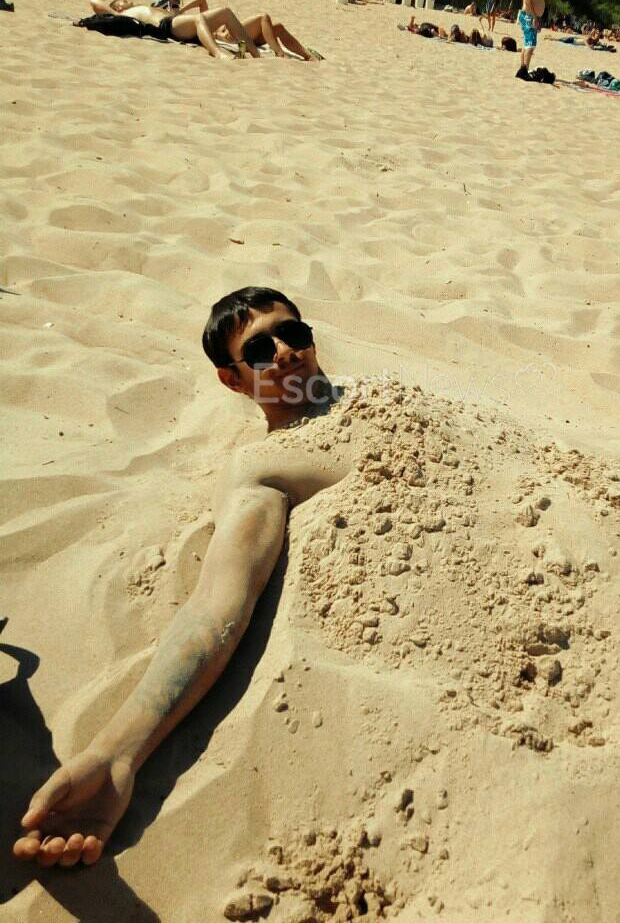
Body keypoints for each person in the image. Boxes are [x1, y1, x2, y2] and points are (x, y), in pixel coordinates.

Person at [11, 287, 364, 868]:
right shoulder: (261, 469)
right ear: (233, 380)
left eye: (293, 333)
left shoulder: (381, 396)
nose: (284, 352)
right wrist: (116, 752)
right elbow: (217, 603)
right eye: (259, 350)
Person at [89, 0, 260, 60]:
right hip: (167, 26)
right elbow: (94, 1)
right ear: (118, 7)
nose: (130, 1)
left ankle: (253, 53)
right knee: (199, 18)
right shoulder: (122, 14)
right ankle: (218, 54)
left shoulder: (140, 7)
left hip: (176, 21)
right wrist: (114, 11)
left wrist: (174, 2)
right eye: (124, 1)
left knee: (226, 12)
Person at [214, 13, 315, 60]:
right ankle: (280, 53)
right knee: (264, 17)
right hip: (232, 36)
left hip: (242, 36)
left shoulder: (211, 18)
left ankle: (308, 56)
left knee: (278, 27)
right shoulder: (208, 25)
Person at [515, 0, 548, 81]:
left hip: (529, 15)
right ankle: (525, 71)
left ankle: (523, 69)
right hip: (529, 16)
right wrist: (534, 17)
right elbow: (527, 0)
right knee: (530, 44)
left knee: (526, 43)